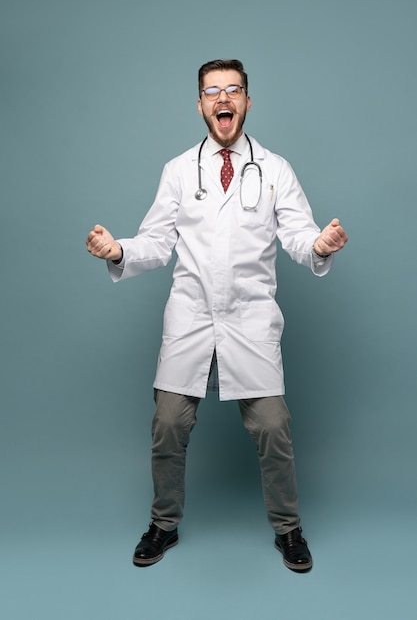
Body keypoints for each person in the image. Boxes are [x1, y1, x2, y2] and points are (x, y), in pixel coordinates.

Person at [86, 59, 348, 572]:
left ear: (248, 101)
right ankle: (164, 523)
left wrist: (319, 244)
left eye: (233, 90)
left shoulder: (275, 169)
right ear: (201, 104)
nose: (223, 99)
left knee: (273, 427)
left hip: (250, 319)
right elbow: (158, 241)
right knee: (167, 424)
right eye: (212, 91)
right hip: (190, 316)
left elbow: (298, 235)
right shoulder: (179, 170)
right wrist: (118, 250)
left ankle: (288, 529)